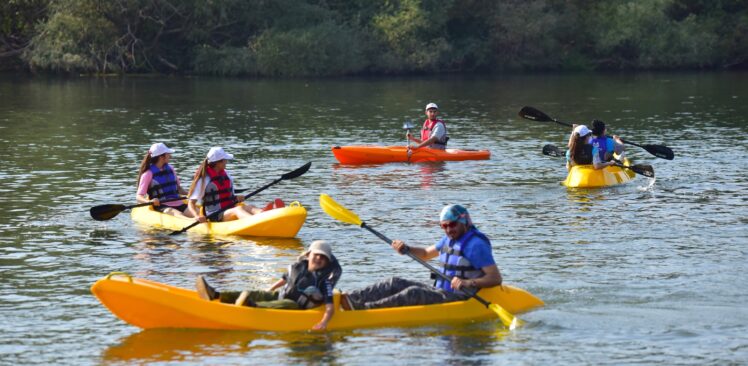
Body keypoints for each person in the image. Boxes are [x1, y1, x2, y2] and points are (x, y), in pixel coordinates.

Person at [340, 205, 502, 310]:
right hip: (442, 292)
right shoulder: (449, 239)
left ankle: (364, 310)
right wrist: (406, 249)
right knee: (394, 282)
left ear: (464, 222)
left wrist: (468, 282)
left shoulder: (475, 245)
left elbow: (495, 278)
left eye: (452, 225)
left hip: (462, 297)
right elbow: (425, 254)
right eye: (444, 226)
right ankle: (351, 299)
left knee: (414, 293)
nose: (448, 230)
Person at [196, 240, 342, 330]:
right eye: (316, 254)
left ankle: (252, 307)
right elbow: (285, 280)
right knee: (256, 293)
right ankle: (216, 294)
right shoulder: (299, 267)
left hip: (296, 307)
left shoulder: (324, 282)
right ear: (308, 255)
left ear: (327, 263)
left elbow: (330, 308)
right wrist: (270, 289)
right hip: (280, 295)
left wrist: (323, 323)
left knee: (285, 304)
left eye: (323, 257)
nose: (318, 258)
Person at [187, 147, 262, 222]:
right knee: (238, 210)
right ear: (218, 162)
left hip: (229, 209)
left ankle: (266, 216)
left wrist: (236, 198)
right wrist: (197, 216)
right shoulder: (204, 179)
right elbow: (191, 203)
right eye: (225, 160)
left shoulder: (226, 174)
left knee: (250, 207)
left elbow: (227, 197)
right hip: (214, 215)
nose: (226, 162)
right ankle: (257, 223)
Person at [135, 143, 192, 218]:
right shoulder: (148, 174)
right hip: (162, 206)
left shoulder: (171, 168)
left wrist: (191, 194)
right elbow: (139, 197)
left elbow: (178, 189)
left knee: (197, 213)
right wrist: (150, 201)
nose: (170, 156)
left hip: (178, 203)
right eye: (168, 154)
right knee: (177, 214)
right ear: (161, 157)